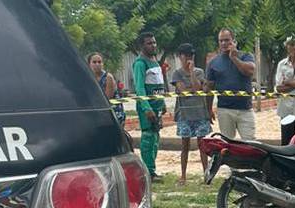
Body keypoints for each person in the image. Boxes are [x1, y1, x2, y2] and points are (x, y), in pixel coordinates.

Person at [171, 42, 212, 184]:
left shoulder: (199, 72)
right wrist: (192, 89)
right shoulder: (176, 73)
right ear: (180, 57)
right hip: (184, 115)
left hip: (200, 113)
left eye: (191, 55)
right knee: (185, 146)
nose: (188, 58)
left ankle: (206, 174)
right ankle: (183, 175)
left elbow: (198, 87)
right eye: (185, 55)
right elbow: (183, 91)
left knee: (202, 145)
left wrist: (192, 72)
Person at [205, 27, 256, 140]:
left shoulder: (246, 56)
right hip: (224, 110)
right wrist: (208, 109)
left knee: (250, 142)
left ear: (233, 41)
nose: (223, 43)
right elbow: (209, 87)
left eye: (227, 40)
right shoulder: (213, 63)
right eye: (221, 40)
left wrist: (234, 58)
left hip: (245, 109)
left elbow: (249, 71)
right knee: (227, 144)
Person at [132, 33, 166, 179]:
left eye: (154, 42)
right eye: (149, 43)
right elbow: (139, 88)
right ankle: (147, 172)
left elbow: (160, 85)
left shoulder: (155, 62)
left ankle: (152, 170)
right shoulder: (140, 63)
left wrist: (163, 103)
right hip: (148, 109)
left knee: (155, 138)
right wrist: (147, 108)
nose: (153, 45)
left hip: (158, 107)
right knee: (147, 138)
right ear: (142, 46)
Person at [87, 52, 126, 127]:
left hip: (112, 111)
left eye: (99, 62)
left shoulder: (108, 77)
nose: (97, 64)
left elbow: (108, 98)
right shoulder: (89, 77)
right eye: (94, 62)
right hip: (98, 110)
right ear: (89, 64)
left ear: (103, 64)